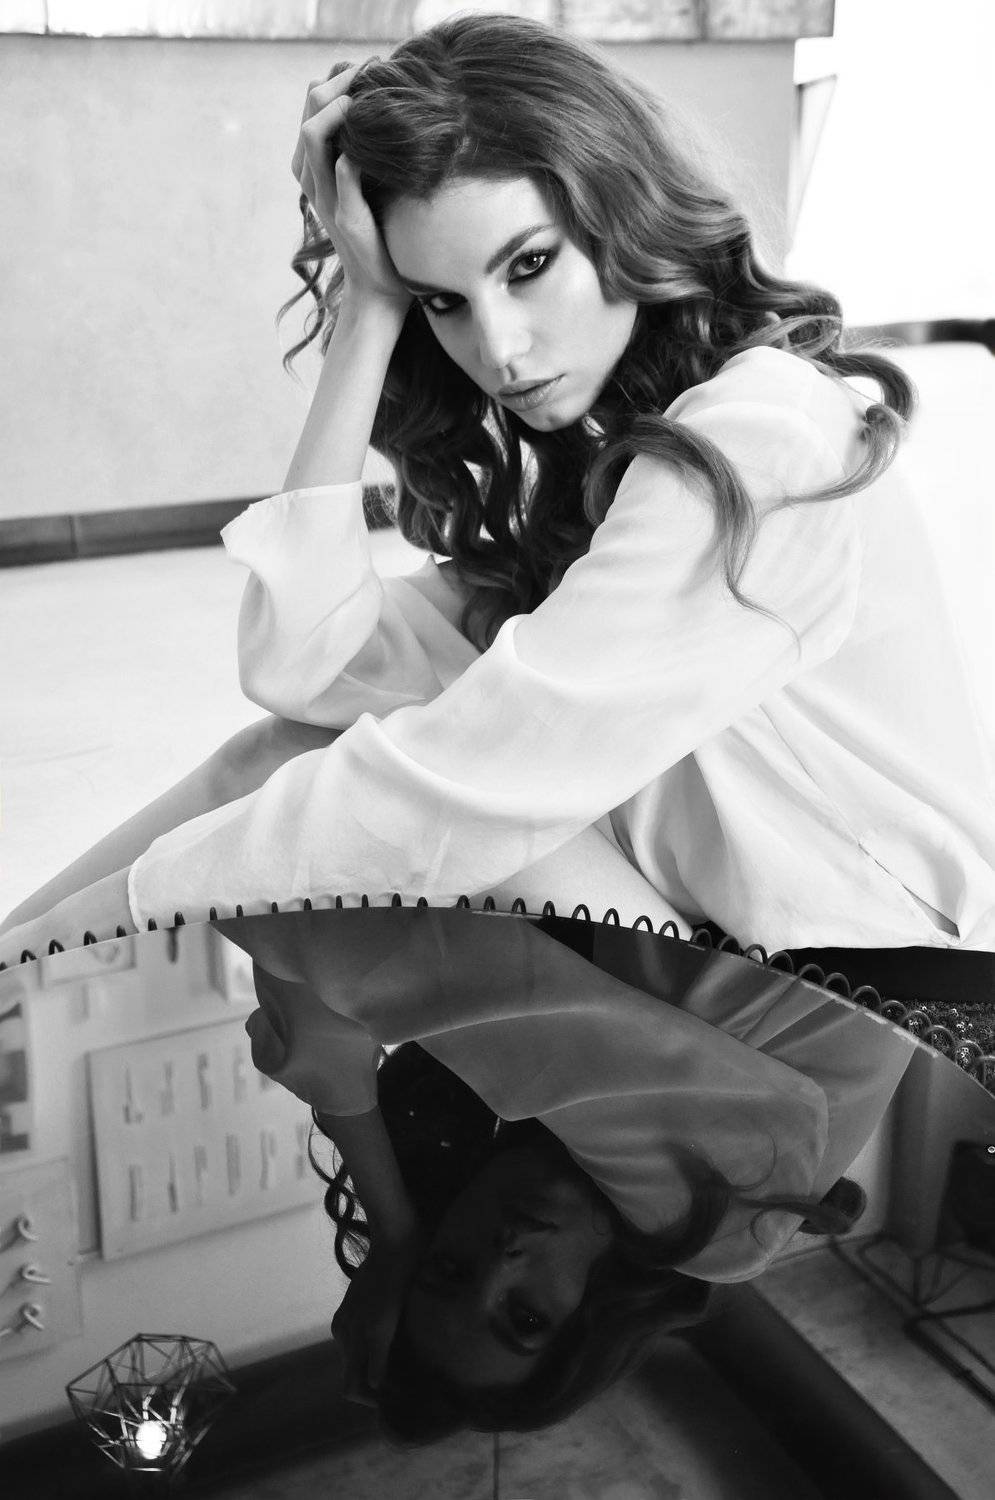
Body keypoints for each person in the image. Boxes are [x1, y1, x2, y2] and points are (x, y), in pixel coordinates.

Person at [3, 12, 993, 964]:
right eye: (442, 300)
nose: (498, 350)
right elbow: (303, 667)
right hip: (742, 947)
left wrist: (121, 911)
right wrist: (369, 305)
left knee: (387, 798)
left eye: (528, 265)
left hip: (882, 995)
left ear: (620, 210)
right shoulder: (623, 463)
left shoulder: (759, 438)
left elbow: (450, 791)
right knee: (284, 755)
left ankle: (28, 970)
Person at [218, 904, 911, 1440]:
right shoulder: (721, 1231)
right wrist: (396, 1236)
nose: (502, 1259)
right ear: (594, 1316)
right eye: (525, 1314)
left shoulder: (560, 1093)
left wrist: (397, 1238)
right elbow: (306, 914)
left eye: (450, 1267)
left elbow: (302, 915)